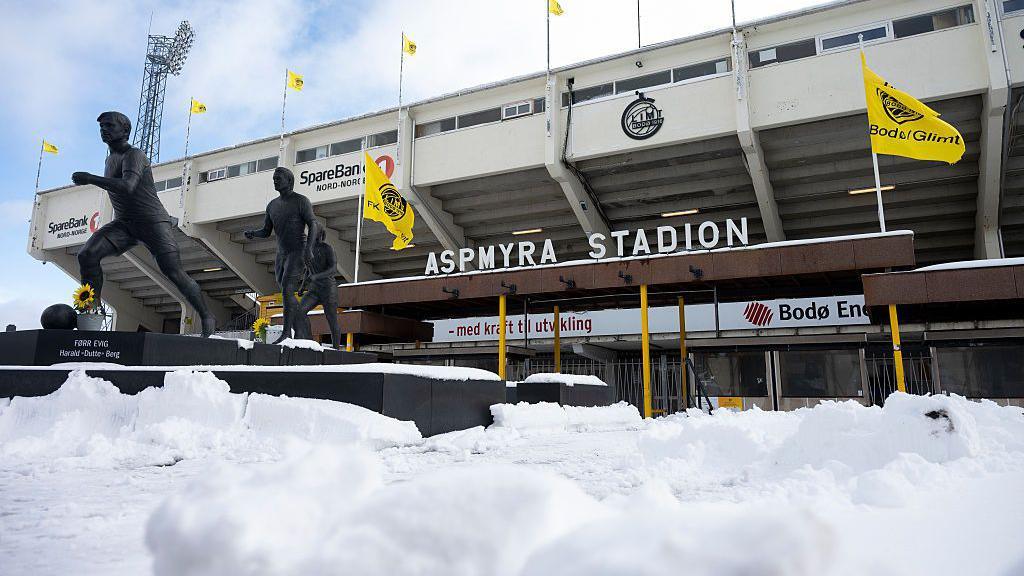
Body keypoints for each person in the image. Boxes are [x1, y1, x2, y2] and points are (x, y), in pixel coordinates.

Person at [72, 111, 216, 336]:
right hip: (125, 224)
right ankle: (91, 311)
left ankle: (207, 316)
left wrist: (90, 179)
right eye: (101, 127)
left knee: (174, 271)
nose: (104, 130)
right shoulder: (109, 159)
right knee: (87, 255)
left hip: (153, 222)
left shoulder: (134, 154)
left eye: (109, 126)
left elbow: (128, 185)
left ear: (125, 131)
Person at [244, 167, 317, 344]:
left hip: (298, 250)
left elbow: (313, 224)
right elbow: (266, 231)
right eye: (274, 178)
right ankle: (303, 332)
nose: (275, 181)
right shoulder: (272, 205)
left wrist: (309, 249)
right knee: (287, 294)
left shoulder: (301, 201)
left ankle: (287, 334)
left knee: (286, 289)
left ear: (289, 181)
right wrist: (254, 233)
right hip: (281, 253)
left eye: (278, 178)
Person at [296, 227, 341, 349]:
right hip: (314, 290)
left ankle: (336, 348)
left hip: (328, 289)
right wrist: (302, 287)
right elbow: (307, 270)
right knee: (299, 311)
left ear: (320, 234)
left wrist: (317, 276)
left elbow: (333, 269)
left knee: (331, 319)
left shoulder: (327, 249)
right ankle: (309, 342)